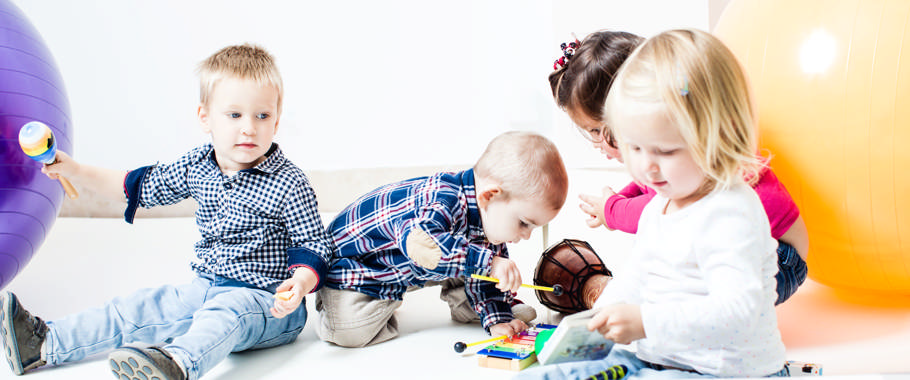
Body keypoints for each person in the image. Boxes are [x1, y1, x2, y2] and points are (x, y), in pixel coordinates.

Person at [0, 44, 334, 380]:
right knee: (142, 307)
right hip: (206, 286)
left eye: (261, 116)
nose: (248, 127)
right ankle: (43, 343)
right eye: (234, 115)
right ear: (205, 118)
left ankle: (175, 364)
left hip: (267, 303)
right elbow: (135, 186)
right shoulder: (198, 165)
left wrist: (300, 282)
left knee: (225, 313)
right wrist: (74, 170)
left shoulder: (288, 181)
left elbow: (315, 243)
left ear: (276, 121)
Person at [519, 29, 788, 379]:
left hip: (720, 372)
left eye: (666, 151)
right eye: (634, 147)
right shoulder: (662, 205)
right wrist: (595, 319)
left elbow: (739, 312)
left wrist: (647, 322)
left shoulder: (729, 212)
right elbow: (637, 276)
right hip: (657, 357)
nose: (647, 166)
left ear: (722, 134)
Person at [550, 30, 808, 305]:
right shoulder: (668, 156)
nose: (595, 143)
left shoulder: (700, 153)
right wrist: (620, 198)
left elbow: (651, 208)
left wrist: (611, 210)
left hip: (778, 259)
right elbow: (648, 186)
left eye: (597, 130)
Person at [316, 131, 569, 347]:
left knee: (475, 263)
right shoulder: (442, 199)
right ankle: (348, 307)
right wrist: (490, 264)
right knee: (352, 332)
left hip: (410, 264)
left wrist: (497, 319)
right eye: (524, 223)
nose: (525, 235)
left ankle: (470, 305)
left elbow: (485, 276)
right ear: (490, 196)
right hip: (354, 269)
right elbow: (423, 248)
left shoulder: (490, 220)